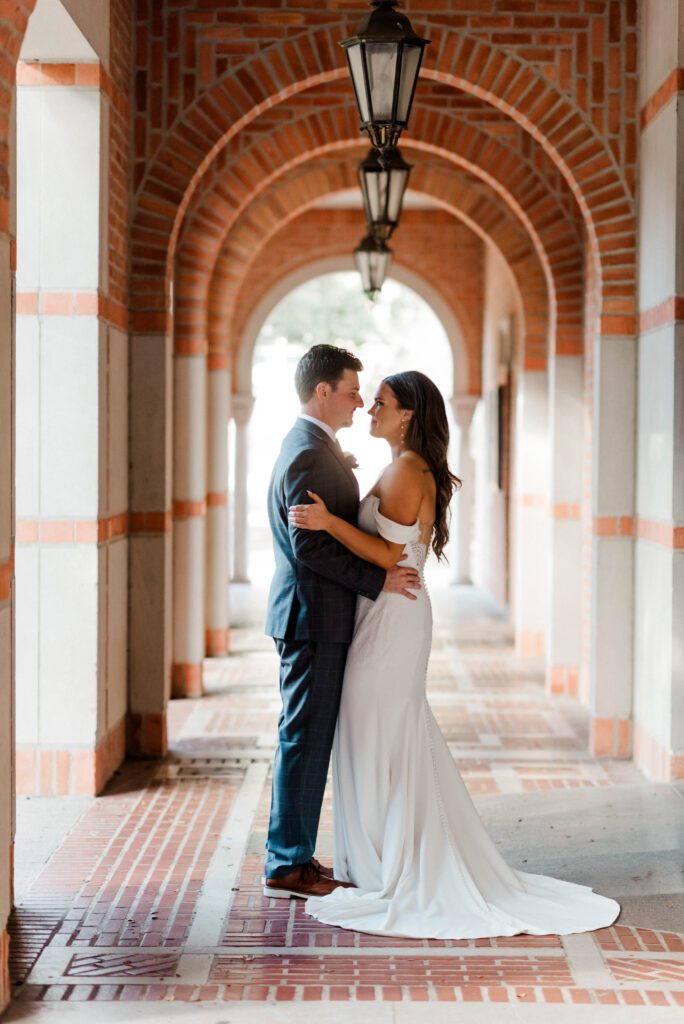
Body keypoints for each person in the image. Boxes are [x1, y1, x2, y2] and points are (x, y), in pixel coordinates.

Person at [288, 370, 621, 938]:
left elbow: (389, 552)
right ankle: (379, 858)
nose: (371, 408)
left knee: (379, 731)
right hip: (388, 614)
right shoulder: (401, 468)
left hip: (392, 619)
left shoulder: (408, 470)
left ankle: (390, 864)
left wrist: (327, 523)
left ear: (408, 415)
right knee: (379, 730)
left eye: (383, 403)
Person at [263, 345, 421, 900]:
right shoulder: (308, 452)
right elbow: (311, 547)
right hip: (312, 616)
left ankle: (296, 854)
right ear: (322, 391)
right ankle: (287, 862)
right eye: (353, 391)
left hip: (317, 615)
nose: (360, 401)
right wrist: (378, 582)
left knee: (307, 737)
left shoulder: (314, 446)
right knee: (304, 738)